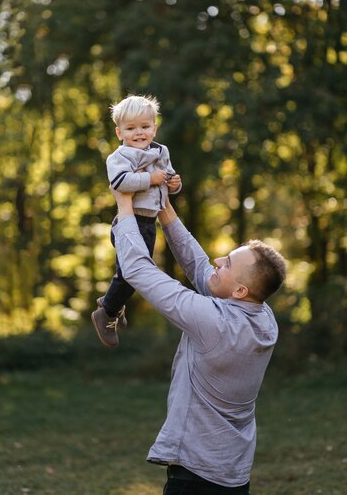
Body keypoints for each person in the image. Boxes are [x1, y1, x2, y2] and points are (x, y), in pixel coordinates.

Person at [110, 189, 286, 495]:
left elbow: (138, 270)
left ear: (241, 291)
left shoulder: (214, 323)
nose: (218, 260)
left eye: (228, 263)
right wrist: (163, 207)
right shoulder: (264, 318)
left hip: (195, 477)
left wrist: (125, 205)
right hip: (234, 474)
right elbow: (199, 267)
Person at [92, 94, 182, 348]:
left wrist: (174, 184)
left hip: (149, 222)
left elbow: (169, 179)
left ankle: (112, 305)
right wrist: (150, 180)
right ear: (119, 133)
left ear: (154, 128)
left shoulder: (161, 151)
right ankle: (106, 312)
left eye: (144, 127)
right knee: (133, 273)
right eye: (131, 129)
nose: (139, 133)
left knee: (134, 274)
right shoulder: (119, 157)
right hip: (128, 222)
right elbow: (120, 183)